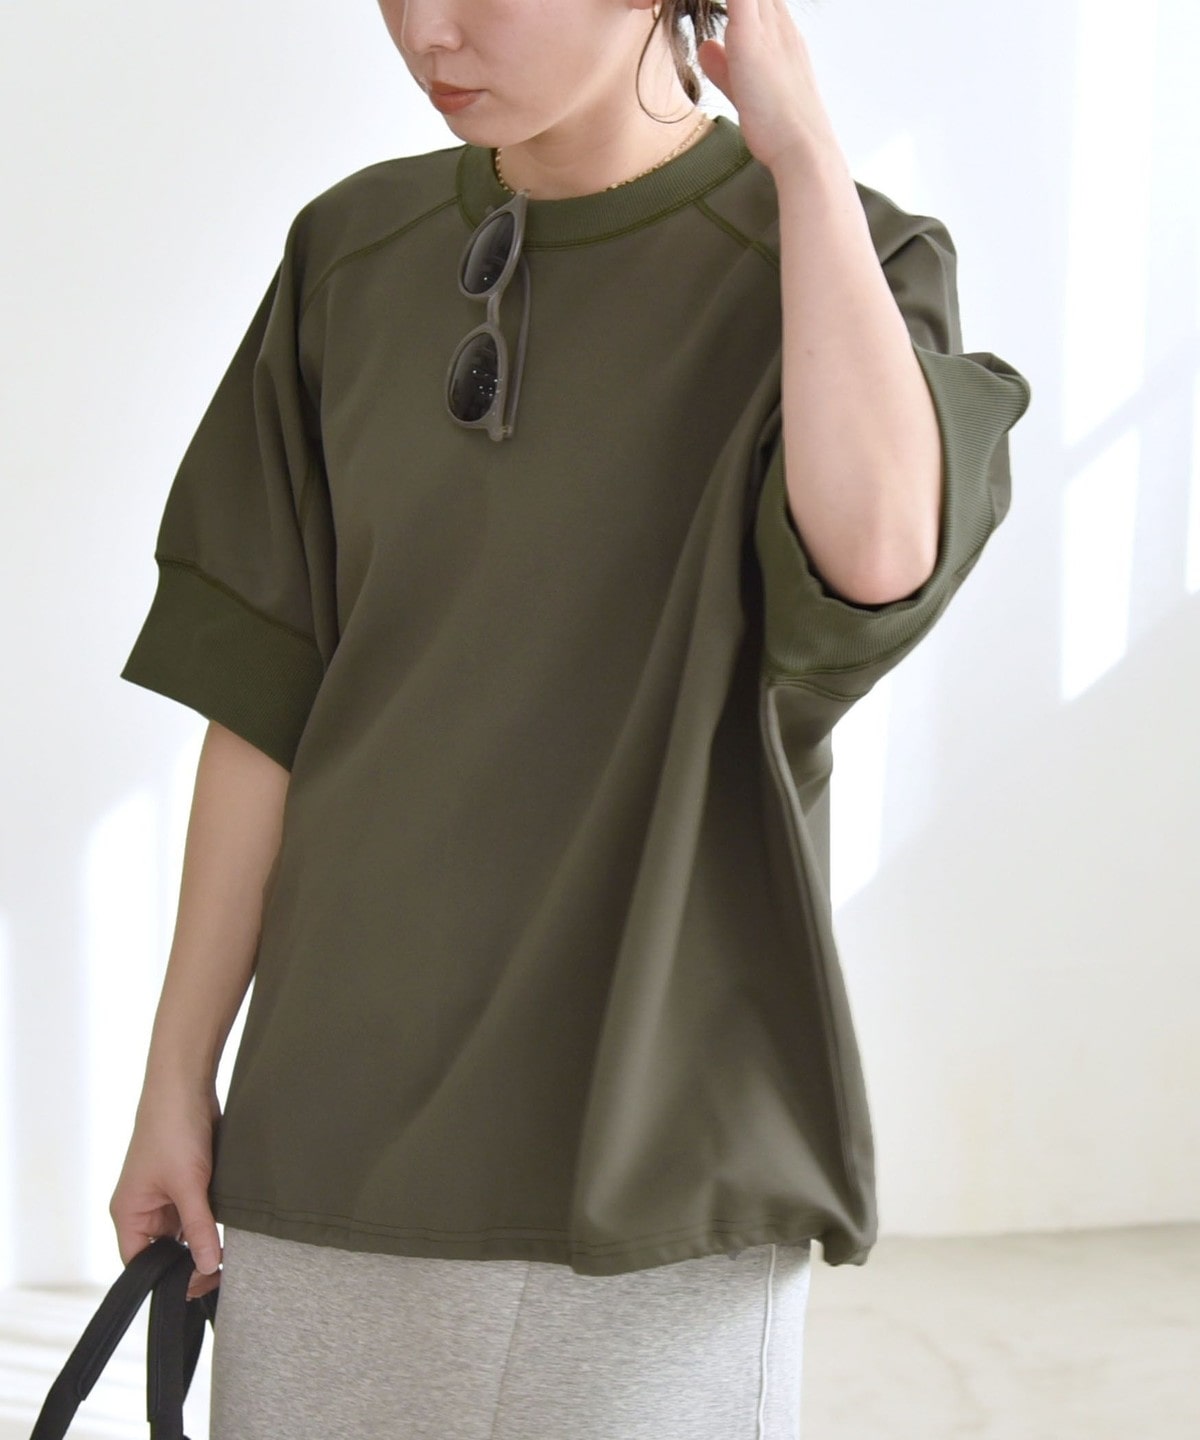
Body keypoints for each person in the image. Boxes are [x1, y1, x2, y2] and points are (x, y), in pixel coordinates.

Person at [108, 1, 1032, 1436]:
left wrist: (799, 151)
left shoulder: (831, 255)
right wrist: (177, 1078)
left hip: (656, 1158)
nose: (432, 28)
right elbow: (261, 711)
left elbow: (875, 557)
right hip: (332, 1133)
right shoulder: (349, 255)